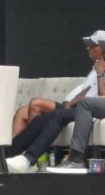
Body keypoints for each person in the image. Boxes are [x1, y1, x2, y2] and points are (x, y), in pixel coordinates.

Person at [44, 31, 105, 173]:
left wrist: (100, 73)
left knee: (85, 104)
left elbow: (102, 95)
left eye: (94, 46)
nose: (88, 48)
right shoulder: (98, 66)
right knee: (83, 103)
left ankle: (76, 159)